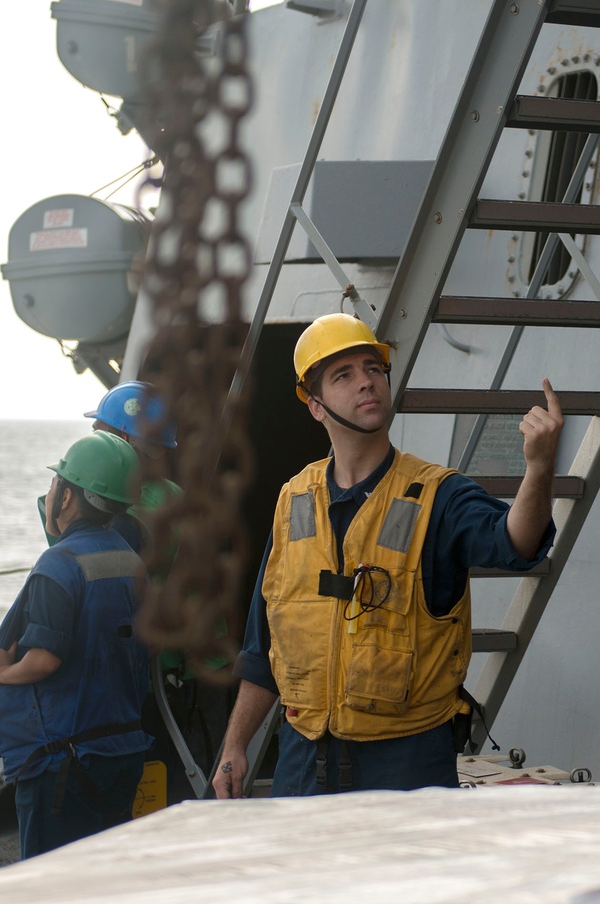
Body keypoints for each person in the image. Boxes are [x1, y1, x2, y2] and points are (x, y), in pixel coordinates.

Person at [212, 313, 562, 798]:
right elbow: (263, 645)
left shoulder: (439, 496)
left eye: (373, 368)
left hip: (404, 768)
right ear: (315, 406)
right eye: (344, 375)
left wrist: (539, 467)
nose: (367, 382)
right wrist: (235, 746)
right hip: (302, 763)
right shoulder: (294, 500)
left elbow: (517, 542)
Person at [0, 432, 152, 858]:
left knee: (52, 897)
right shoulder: (131, 560)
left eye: (54, 484)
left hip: (61, 764)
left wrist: (5, 674)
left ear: (66, 497)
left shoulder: (59, 562)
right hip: (121, 753)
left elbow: (43, 658)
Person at [84, 379, 181, 550]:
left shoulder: (126, 518)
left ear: (123, 438)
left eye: (98, 433)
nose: (93, 441)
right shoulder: (173, 493)